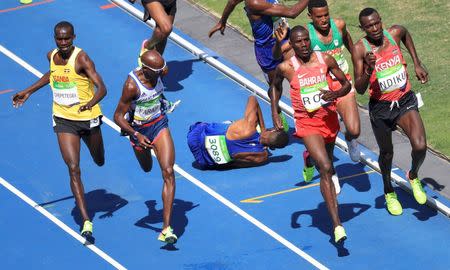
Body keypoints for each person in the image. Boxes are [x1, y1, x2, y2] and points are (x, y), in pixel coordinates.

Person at [12, 21, 107, 241]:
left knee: (99, 159)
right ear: (55, 38)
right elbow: (52, 75)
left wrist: (91, 102)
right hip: (64, 119)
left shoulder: (82, 59)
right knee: (73, 168)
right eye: (59, 39)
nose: (63, 43)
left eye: (67, 39)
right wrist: (28, 91)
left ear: (74, 37)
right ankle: (86, 221)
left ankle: (97, 151)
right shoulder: (51, 55)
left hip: (88, 118)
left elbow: (103, 88)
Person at [270, 25, 351, 243]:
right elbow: (275, 87)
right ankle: (337, 225)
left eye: (306, 40)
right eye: (299, 42)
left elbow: (346, 84)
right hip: (307, 124)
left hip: (328, 120)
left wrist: (334, 93)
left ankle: (308, 159)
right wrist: (275, 111)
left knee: (328, 163)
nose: (304, 45)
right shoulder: (286, 67)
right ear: (292, 45)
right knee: (325, 168)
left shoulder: (326, 60)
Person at [274, 0, 361, 186]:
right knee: (323, 141)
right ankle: (327, 170)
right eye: (319, 17)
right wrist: (277, 42)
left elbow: (350, 44)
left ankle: (350, 140)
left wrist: (358, 64)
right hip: (319, 90)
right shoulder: (304, 36)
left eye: (326, 15)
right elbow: (279, 54)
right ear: (310, 17)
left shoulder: (339, 25)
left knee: (354, 130)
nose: (324, 20)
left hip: (342, 84)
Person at [352, 8, 428, 216]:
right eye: (369, 26)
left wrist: (417, 63)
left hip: (404, 100)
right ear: (363, 28)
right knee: (387, 154)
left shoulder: (393, 34)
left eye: (377, 23)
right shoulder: (360, 49)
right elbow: (359, 88)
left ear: (381, 21)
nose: (375, 29)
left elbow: (405, 32)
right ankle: (388, 191)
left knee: (420, 146)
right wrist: (368, 69)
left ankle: (413, 175)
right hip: (381, 107)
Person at [208, 0, 310, 132]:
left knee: (301, 78)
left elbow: (232, 2)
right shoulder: (254, 2)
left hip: (285, 39)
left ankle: (309, 117)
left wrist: (222, 21)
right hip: (267, 51)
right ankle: (277, 114)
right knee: (275, 87)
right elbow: (292, 12)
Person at [114, 50, 177, 244]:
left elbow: (162, 70)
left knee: (168, 171)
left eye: (161, 69)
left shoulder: (160, 71)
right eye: (156, 71)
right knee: (147, 167)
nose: (161, 73)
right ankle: (141, 147)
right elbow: (117, 116)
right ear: (144, 68)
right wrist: (136, 134)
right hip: (139, 130)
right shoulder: (131, 85)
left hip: (158, 124)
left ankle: (166, 228)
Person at [187, 96, 289, 169]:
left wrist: (262, 128)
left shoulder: (249, 126)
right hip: (204, 160)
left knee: (231, 124)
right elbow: (236, 164)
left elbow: (253, 99)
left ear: (272, 130)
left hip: (195, 136)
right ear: (273, 147)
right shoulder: (262, 157)